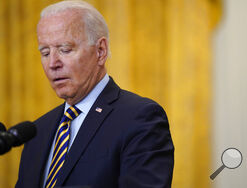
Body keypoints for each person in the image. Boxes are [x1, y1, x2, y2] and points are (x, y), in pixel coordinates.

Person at [16, 1, 174, 188]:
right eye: (45, 52)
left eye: (65, 50)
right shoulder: (37, 130)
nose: (52, 63)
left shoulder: (140, 119)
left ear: (100, 51)